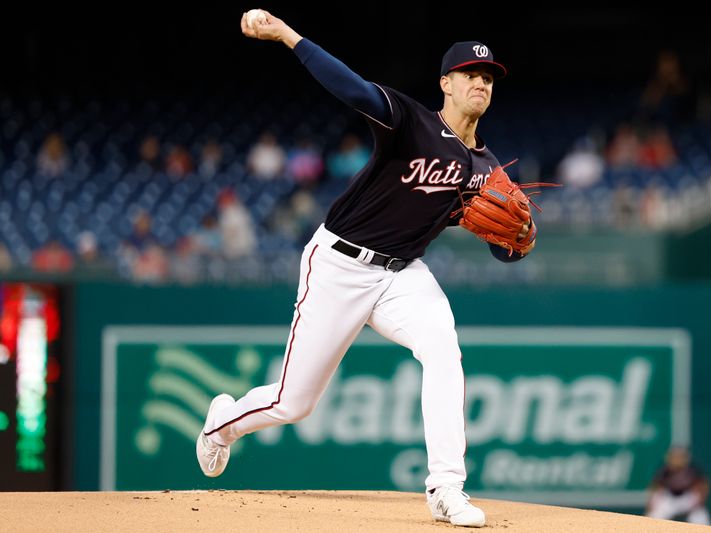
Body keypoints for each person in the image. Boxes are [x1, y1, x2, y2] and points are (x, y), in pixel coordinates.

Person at [197, 9, 535, 528]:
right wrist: (288, 35)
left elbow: (501, 249)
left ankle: (447, 487)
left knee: (444, 348)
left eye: (488, 78)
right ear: (446, 83)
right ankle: (222, 423)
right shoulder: (410, 119)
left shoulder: (488, 170)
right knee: (294, 403)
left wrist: (518, 240)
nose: (481, 83)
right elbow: (353, 90)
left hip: (402, 275)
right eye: (470, 74)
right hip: (339, 263)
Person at [645, 446, 711, 525]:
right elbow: (655, 487)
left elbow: (703, 485)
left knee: (700, 517)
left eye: (679, 457)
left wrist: (700, 501)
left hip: (687, 498)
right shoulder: (664, 471)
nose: (677, 460)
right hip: (669, 499)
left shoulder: (692, 470)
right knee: (654, 516)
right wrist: (651, 503)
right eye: (674, 457)